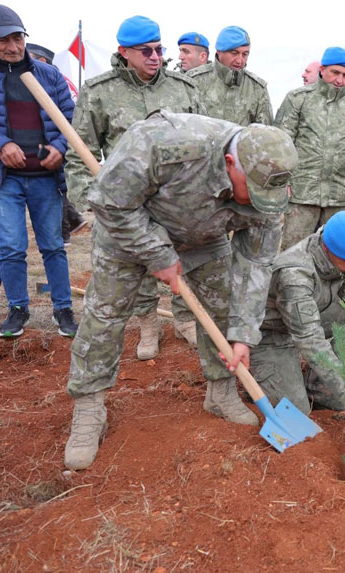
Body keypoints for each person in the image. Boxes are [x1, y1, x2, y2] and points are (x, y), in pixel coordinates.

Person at [63, 111, 296, 470]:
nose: (259, 203)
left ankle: (220, 392)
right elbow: (109, 202)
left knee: (221, 309)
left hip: (203, 234)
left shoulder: (269, 193)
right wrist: (157, 253)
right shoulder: (166, 143)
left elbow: (256, 265)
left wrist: (244, 336)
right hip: (128, 229)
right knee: (105, 314)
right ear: (230, 163)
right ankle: (89, 406)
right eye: (254, 192)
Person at [65, 15, 202, 358]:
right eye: (145, 51)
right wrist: (94, 200)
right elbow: (80, 152)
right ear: (124, 52)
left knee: (182, 261)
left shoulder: (183, 89)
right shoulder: (99, 92)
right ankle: (148, 325)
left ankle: (185, 321)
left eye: (159, 49)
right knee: (139, 264)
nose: (155, 57)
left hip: (176, 200)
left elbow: (204, 142)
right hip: (128, 202)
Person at [0, 3, 78, 338]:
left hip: (45, 177)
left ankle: (63, 309)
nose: (13, 47)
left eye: (18, 38)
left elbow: (70, 119)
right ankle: (18, 309)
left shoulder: (48, 75)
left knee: (53, 245)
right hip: (1, 179)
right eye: (3, 40)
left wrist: (60, 149)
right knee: (10, 247)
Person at [245, 211, 345, 438]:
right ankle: (265, 376)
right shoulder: (294, 274)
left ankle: (321, 389)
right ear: (328, 249)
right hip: (271, 335)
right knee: (297, 412)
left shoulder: (340, 248)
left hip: (308, 318)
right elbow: (310, 339)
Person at [276, 46, 345, 249]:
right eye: (335, 72)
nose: (339, 79)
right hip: (302, 193)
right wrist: (282, 179)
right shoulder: (298, 100)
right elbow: (282, 143)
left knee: (336, 251)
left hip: (340, 196)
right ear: (322, 69)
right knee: (294, 250)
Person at [26, 42, 88, 247]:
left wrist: (59, 145)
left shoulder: (56, 82)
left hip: (58, 145)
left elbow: (71, 117)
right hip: (50, 146)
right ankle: (74, 221)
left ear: (42, 60)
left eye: (30, 56)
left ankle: (64, 234)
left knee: (58, 189)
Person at [188, 26, 273, 126]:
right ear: (219, 51)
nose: (239, 60)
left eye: (245, 54)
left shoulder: (257, 88)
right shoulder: (194, 80)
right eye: (234, 53)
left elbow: (265, 134)